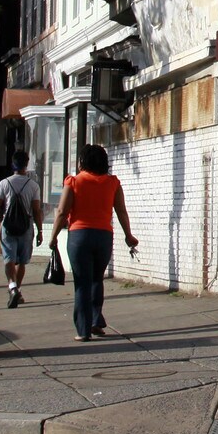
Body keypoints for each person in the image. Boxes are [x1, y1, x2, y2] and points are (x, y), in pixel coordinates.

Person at [48, 145, 138, 342]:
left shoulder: (73, 182)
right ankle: (96, 320)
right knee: (97, 279)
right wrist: (128, 235)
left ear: (83, 162)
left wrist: (53, 236)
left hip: (79, 236)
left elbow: (63, 212)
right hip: (104, 236)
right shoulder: (113, 183)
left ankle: (83, 330)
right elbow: (121, 211)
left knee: (82, 283)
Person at [0, 152, 43, 309]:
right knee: (22, 261)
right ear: (26, 164)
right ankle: (18, 290)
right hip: (26, 227)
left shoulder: (4, 183)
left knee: (8, 259)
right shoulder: (33, 185)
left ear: (13, 164)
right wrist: (40, 231)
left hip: (8, 227)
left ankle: (11, 286)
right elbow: (37, 210)